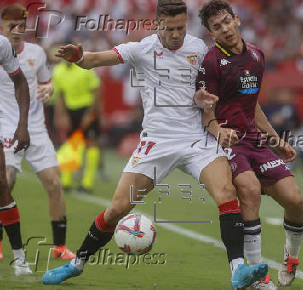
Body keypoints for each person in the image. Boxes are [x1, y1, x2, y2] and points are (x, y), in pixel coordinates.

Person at [42, 1, 267, 288]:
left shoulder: (198, 49)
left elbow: (207, 86)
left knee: (226, 191)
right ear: (157, 24)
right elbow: (93, 60)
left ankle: (238, 270)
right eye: (170, 28)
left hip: (196, 139)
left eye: (181, 28)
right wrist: (78, 56)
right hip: (156, 142)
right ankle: (76, 264)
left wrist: (202, 99)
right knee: (117, 209)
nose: (176, 34)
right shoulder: (141, 49)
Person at [197, 1, 303, 288]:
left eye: (226, 21)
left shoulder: (257, 56)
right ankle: (258, 274)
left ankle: (291, 257)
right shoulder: (211, 63)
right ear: (211, 34)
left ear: (237, 20)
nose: (224, 29)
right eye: (216, 27)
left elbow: (252, 104)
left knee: (295, 201)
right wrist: (219, 132)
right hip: (229, 143)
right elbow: (206, 114)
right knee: (249, 188)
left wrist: (275, 139)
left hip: (255, 141)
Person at [0, 4, 76, 263]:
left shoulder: (37, 53)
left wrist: (49, 90)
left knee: (54, 184)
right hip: (5, 128)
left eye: (22, 27)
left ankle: (60, 246)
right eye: (12, 27)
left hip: (36, 128)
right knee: (6, 183)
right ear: (2, 27)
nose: (18, 32)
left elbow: (46, 83)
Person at [0, 29, 30, 274]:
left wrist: (22, 124)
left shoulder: (1, 44)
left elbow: (19, 80)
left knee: (1, 186)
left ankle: (19, 259)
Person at [52, 58, 102, 194]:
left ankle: (87, 183)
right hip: (70, 111)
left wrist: (90, 114)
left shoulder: (86, 68)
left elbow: (96, 91)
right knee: (71, 144)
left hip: (87, 108)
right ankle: (66, 182)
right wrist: (62, 115)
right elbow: (60, 95)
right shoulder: (58, 71)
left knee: (91, 144)